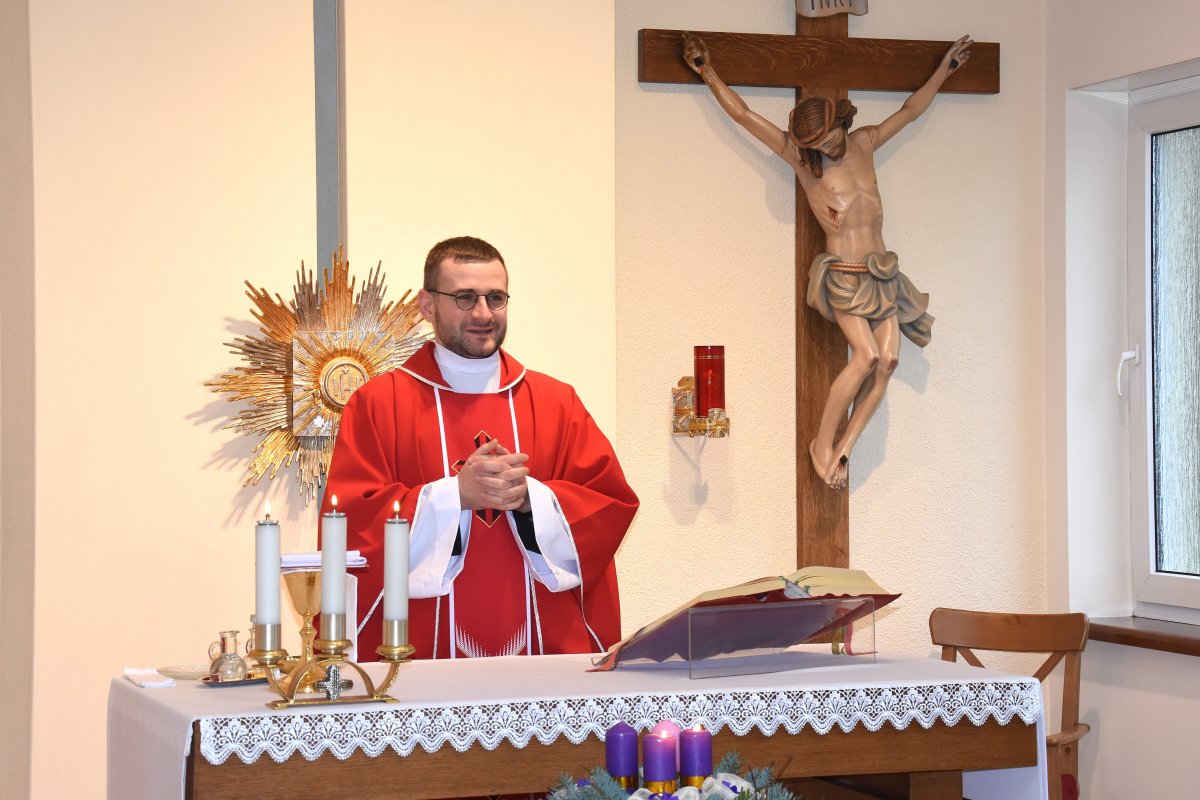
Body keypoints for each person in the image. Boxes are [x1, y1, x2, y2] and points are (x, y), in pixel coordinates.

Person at [323, 236, 639, 659]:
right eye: (465, 297)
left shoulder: (555, 402)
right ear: (427, 306)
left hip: (544, 651)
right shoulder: (379, 403)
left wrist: (531, 499)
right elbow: (354, 521)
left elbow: (608, 505)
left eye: (496, 298)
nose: (483, 313)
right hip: (421, 656)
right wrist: (455, 494)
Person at [683, 33, 973, 489]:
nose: (827, 149)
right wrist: (706, 71)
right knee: (866, 355)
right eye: (817, 145)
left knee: (889, 360)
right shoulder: (804, 162)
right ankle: (822, 444)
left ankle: (844, 447)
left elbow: (910, 110)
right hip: (844, 275)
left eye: (830, 138)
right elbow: (743, 115)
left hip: (883, 273)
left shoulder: (865, 142)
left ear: (841, 123)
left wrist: (945, 69)